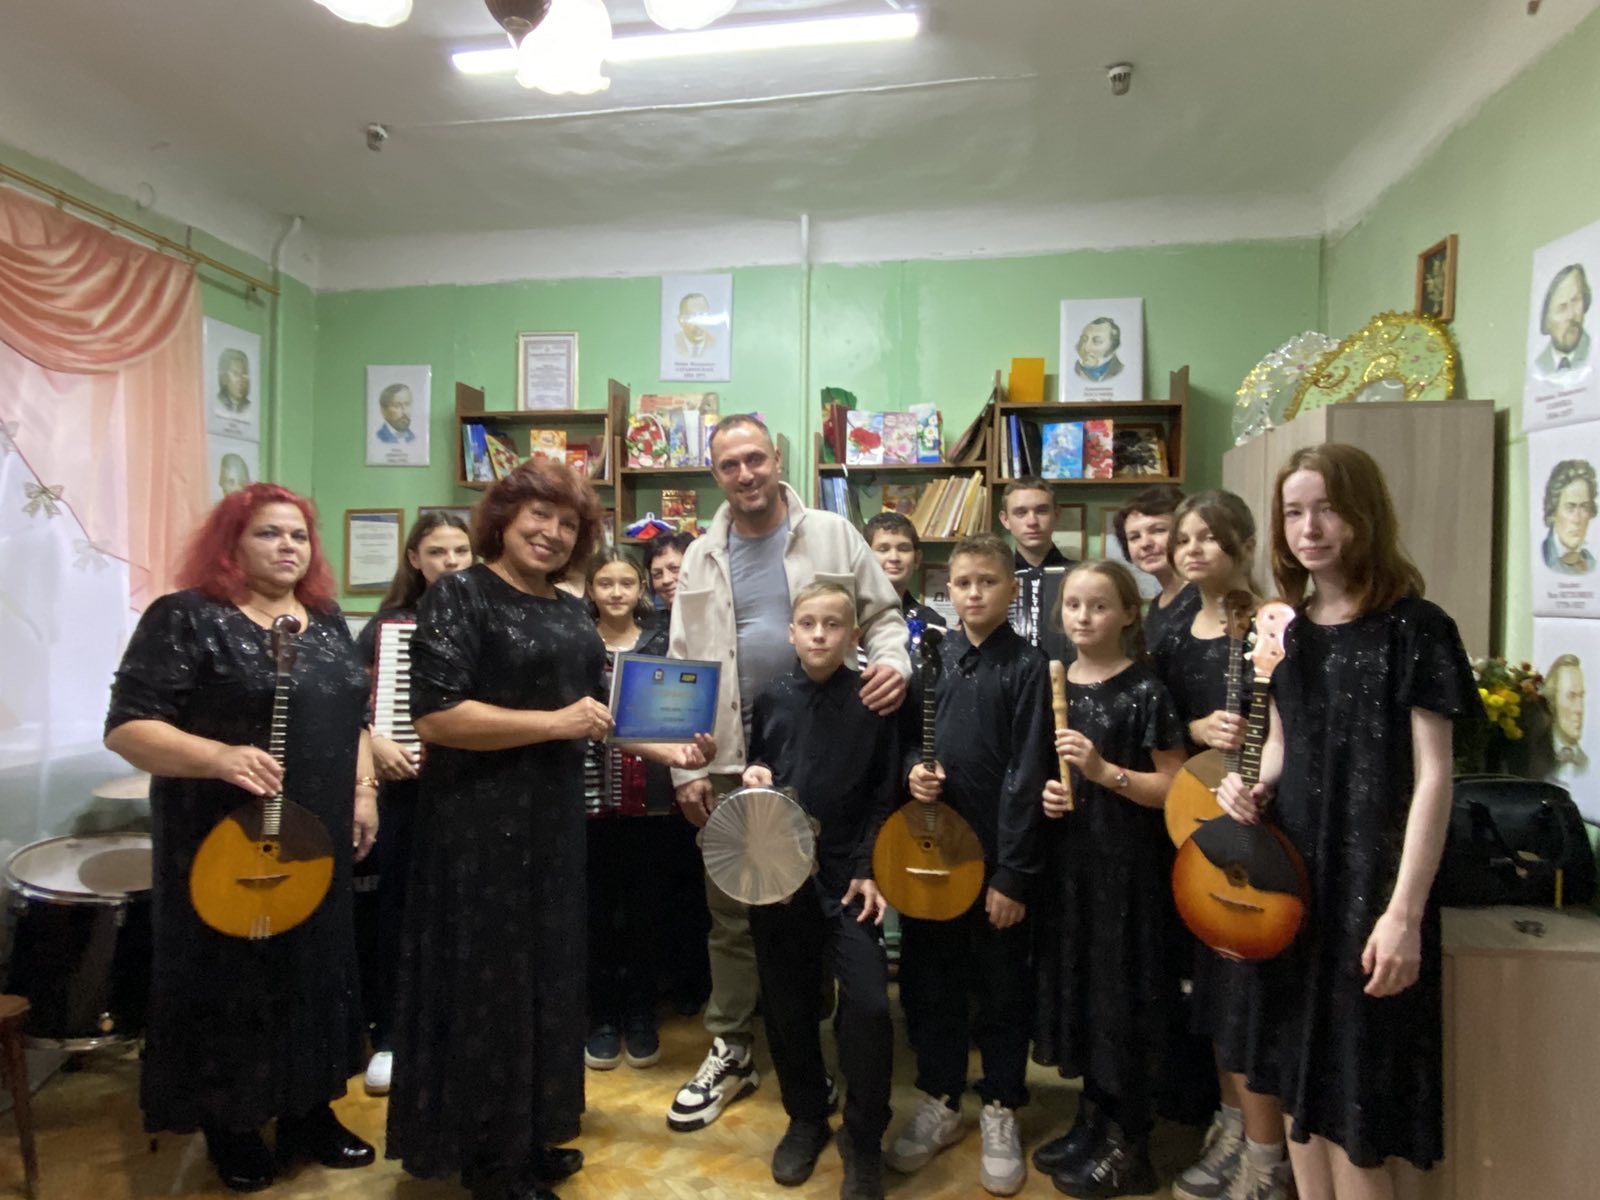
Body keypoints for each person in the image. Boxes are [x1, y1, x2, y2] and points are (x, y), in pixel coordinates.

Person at [103, 483, 378, 1194]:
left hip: (314, 836)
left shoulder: (325, 621)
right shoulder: (187, 617)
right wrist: (216, 757)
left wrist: (363, 790)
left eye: (299, 535)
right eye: (269, 533)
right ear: (232, 544)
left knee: (314, 968)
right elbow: (128, 728)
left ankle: (310, 1111)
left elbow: (353, 718)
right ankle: (232, 1123)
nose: (288, 547)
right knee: (230, 978)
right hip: (219, 838)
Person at [1217, 443, 1475, 1199]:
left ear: (1365, 515)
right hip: (1296, 887)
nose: (1310, 528)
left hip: (1373, 891)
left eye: (1328, 509)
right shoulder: (1287, 631)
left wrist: (1404, 914)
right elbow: (1282, 749)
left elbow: (1434, 778)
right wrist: (1249, 788)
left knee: (1356, 1117)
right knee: (1300, 1100)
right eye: (1294, 512)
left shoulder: (1416, 627)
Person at [665, 414, 911, 1133]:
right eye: (729, 465)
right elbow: (683, 660)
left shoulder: (832, 534)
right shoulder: (700, 555)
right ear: (715, 474)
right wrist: (685, 770)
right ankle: (734, 1047)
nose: (745, 474)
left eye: (755, 459)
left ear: (776, 459)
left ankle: (817, 1046)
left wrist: (892, 663)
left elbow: (884, 616)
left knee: (819, 909)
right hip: (731, 759)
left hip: (826, 750)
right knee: (733, 916)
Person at [384, 460, 612, 1200]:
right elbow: (437, 717)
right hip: (478, 826)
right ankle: (489, 1160)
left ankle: (531, 1132)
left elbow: (595, 712)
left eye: (568, 523)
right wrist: (554, 724)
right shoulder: (460, 594)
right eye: (539, 515)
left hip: (554, 823)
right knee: (491, 986)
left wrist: (671, 749)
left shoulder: (570, 609)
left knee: (548, 976)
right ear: (504, 518)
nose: (552, 533)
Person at [886, 532, 1051, 1198]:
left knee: (1003, 983)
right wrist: (913, 772)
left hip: (998, 856)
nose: (974, 593)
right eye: (962, 583)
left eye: (987, 581)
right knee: (934, 980)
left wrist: (1013, 874)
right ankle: (941, 1098)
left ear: (1010, 589)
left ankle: (1002, 1104)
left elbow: (1028, 771)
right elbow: (905, 743)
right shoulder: (933, 657)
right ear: (946, 590)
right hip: (936, 856)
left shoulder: (1029, 666)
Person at [741, 582, 905, 1200]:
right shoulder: (772, 696)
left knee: (868, 1005)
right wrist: (756, 775)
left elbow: (885, 795)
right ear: (791, 632)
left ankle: (863, 1137)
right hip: (781, 876)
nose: (818, 634)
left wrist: (867, 865)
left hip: (849, 877)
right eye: (807, 623)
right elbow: (761, 769)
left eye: (832, 624)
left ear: (854, 635)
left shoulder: (874, 701)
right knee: (787, 1004)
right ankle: (807, 1116)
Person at [1032, 561, 1187, 1197]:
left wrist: (1103, 773)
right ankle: (1093, 1119)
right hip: (1073, 866)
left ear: (1127, 614)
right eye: (1073, 605)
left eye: (1099, 606)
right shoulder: (1055, 682)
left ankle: (1131, 1143)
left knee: (1123, 999)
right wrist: (1051, 796)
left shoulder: (1146, 690)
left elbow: (1176, 787)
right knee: (1087, 994)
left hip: (1129, 871)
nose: (1083, 617)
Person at [1152, 492, 1291, 1200]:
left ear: (1243, 543)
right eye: (1185, 539)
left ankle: (1267, 1156)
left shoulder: (1272, 623)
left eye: (1209, 537)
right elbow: (1157, 716)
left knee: (1248, 995)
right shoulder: (1174, 628)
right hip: (1193, 824)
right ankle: (1232, 1124)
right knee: (1210, 991)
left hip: (1260, 822)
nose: (1194, 549)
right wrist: (1194, 728)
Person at [351, 510, 475, 1096]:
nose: (450, 563)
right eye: (437, 552)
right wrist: (375, 740)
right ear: (414, 560)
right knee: (400, 908)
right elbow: (347, 699)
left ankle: (463, 1032)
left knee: (468, 909)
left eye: (460, 551)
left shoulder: (488, 616)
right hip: (405, 790)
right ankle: (393, 1035)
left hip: (473, 787)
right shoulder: (387, 626)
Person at [582, 547, 715, 1073]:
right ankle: (600, 1017)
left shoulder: (663, 638)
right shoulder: (576, 642)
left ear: (641, 589)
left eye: (626, 583)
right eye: (605, 583)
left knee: (646, 911)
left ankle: (641, 1014)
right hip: (587, 800)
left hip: (655, 799)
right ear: (590, 589)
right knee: (594, 912)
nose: (616, 592)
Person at [642, 529, 713, 1013]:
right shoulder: (647, 631)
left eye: (677, 568)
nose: (669, 579)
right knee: (665, 882)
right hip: (658, 774)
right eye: (658, 572)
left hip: (710, 763)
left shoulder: (711, 620)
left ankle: (700, 984)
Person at [1111, 484, 1198, 650]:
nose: (1145, 543)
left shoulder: (1203, 596)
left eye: (1158, 530)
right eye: (1134, 537)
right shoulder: (1156, 605)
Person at [998, 476, 1073, 658]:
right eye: (1020, 513)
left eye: (1041, 511)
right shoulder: (993, 579)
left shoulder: (1080, 576)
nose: (1032, 521)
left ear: (1057, 514)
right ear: (1005, 519)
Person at [863, 511, 947, 632]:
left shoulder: (931, 622)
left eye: (903, 549)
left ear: (917, 559)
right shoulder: (851, 615)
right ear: (866, 557)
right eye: (883, 549)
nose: (894, 558)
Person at [1534, 263, 1592, 378]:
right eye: (1562, 308)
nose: (1571, 315)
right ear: (1547, 322)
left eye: (1575, 300)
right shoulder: (1539, 366)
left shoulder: (1593, 352)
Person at [1539, 459, 1597, 575]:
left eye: (1584, 507)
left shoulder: (1591, 563)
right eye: (1570, 508)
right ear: (1553, 512)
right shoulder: (1542, 557)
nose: (1577, 519)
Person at [1544, 653, 1588, 782]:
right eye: (1571, 696)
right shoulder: (1530, 756)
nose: (1579, 709)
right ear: (1552, 701)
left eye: (1581, 696)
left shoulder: (1589, 763)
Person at [644, 529, 695, 614]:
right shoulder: (651, 622)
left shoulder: (716, 617)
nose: (666, 580)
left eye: (674, 568)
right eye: (657, 574)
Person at [1074, 318, 1125, 383]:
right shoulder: (1074, 370)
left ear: (1114, 346)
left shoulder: (1120, 370)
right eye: (1084, 339)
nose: (1086, 348)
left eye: (1097, 341)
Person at [674, 292, 718, 358]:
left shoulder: (716, 343)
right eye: (692, 317)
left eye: (702, 315)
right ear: (680, 320)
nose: (698, 324)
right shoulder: (672, 344)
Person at [216, 347, 250, 415]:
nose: (240, 380)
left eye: (244, 373)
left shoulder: (248, 406)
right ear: (225, 377)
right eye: (236, 374)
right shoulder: (217, 402)